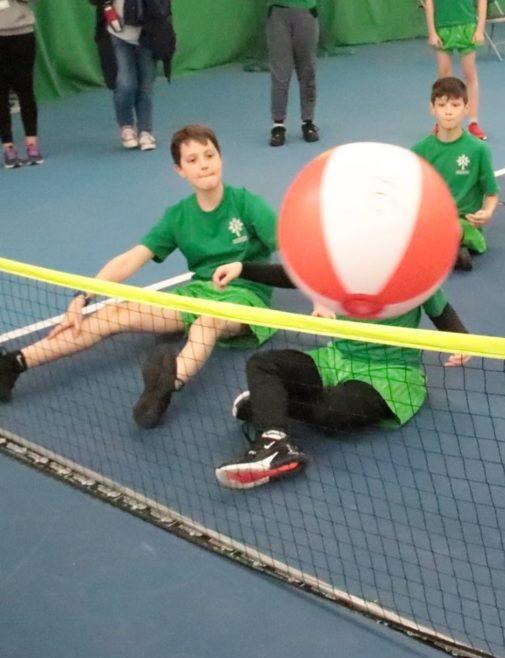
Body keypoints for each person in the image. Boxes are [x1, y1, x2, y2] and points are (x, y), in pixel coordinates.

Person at [0, 125, 279, 427]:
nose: (204, 164)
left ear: (220, 158)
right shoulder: (178, 216)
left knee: (206, 323)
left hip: (246, 297)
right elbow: (131, 259)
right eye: (193, 160)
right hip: (198, 292)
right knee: (115, 313)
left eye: (209, 155)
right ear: (180, 170)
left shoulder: (248, 205)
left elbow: (293, 248)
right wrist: (82, 297)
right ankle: (14, 363)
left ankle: (164, 389)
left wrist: (322, 296)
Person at [210, 261, 471, 489]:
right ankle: (276, 443)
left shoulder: (415, 276)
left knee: (331, 413)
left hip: (390, 374)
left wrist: (463, 341)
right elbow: (298, 277)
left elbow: (441, 311)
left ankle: (269, 404)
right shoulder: (346, 264)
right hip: (338, 358)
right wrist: (244, 268)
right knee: (263, 363)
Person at [412, 77, 499, 271]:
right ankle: (448, 253)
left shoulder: (479, 149)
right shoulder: (419, 150)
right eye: (442, 105)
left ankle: (448, 250)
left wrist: (487, 212)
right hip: (431, 220)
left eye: (455, 105)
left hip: (464, 224)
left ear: (466, 108)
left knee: (455, 229)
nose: (448, 111)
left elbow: (491, 193)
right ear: (432, 108)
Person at [90, 0, 158, 150]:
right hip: (117, 33)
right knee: (126, 84)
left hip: (148, 33)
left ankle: (145, 131)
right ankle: (126, 127)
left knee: (145, 85)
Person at [422, 0, 488, 140]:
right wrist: (432, 32)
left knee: (469, 74)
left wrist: (480, 29)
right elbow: (429, 3)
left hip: (468, 27)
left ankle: (473, 122)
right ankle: (443, 123)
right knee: (444, 77)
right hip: (442, 28)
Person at [266, 0, 320, 147]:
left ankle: (308, 122)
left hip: (306, 11)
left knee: (307, 71)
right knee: (280, 73)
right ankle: (278, 125)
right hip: (278, 13)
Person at [0, 0, 42, 168]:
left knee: (25, 90)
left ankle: (32, 145)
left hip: (23, 34)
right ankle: (8, 148)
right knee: (1, 92)